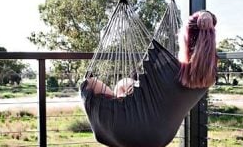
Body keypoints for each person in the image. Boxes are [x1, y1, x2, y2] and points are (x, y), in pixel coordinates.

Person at [84, 10, 218, 97]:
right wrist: (208, 16)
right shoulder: (208, 74)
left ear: (185, 39)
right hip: (165, 130)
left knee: (89, 84)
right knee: (124, 84)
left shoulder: (171, 70)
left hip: (135, 124)